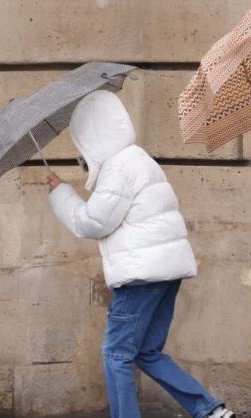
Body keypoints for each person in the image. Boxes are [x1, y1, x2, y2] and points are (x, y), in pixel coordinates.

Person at [46, 90, 236, 418]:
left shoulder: (118, 169)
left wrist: (61, 192)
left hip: (141, 276)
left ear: (91, 136)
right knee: (146, 352)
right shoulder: (136, 158)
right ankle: (209, 410)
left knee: (116, 354)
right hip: (166, 271)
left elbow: (92, 222)